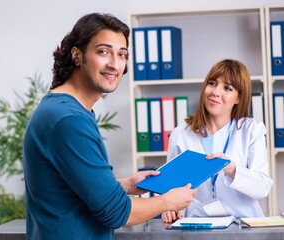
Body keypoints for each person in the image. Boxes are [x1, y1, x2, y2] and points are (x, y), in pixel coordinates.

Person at [23, 13, 197, 240]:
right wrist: (168, 201)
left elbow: (68, 185)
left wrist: (123, 185)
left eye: (122, 54)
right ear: (77, 55)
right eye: (103, 52)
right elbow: (116, 213)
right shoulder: (68, 119)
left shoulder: (63, 109)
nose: (114, 64)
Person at [161, 59, 273, 223]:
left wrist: (232, 169)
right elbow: (170, 187)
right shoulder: (181, 134)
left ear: (238, 98)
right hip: (197, 224)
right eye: (212, 84)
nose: (215, 92)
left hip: (243, 224)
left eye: (227, 88)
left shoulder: (251, 130)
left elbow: (262, 188)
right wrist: (170, 208)